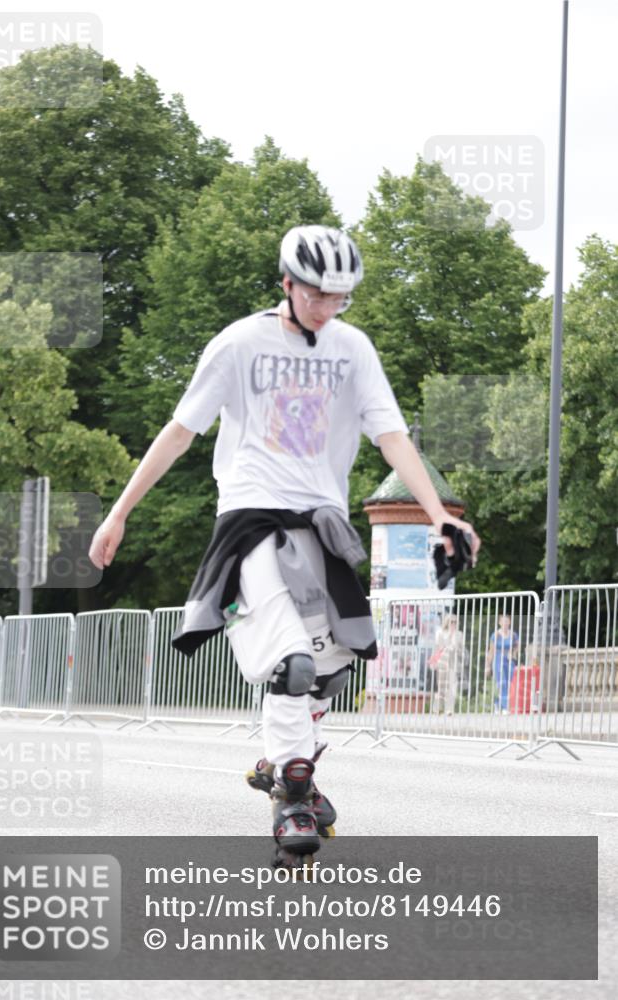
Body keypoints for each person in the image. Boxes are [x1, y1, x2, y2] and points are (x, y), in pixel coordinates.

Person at [88, 224, 481, 869]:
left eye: (341, 299)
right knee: (291, 666)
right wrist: (119, 513)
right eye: (318, 296)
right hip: (250, 520)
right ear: (287, 285)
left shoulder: (353, 349)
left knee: (337, 664)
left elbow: (390, 436)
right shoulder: (240, 344)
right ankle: (292, 799)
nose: (328, 309)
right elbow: (180, 431)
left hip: (319, 521)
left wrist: (439, 515)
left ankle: (282, 761)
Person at [430, 615, 466, 715]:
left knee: (452, 686)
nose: (453, 624)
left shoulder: (459, 634)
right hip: (442, 661)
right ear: (447, 622)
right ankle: (437, 708)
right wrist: (434, 661)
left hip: (453, 662)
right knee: (441, 686)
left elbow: (461, 648)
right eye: (451, 622)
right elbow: (438, 647)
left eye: (455, 622)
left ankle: (449, 709)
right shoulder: (440, 633)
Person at [486, 614, 520, 714]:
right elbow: (491, 651)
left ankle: (498, 704)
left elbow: (517, 647)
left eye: (507, 621)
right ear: (499, 623)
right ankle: (506, 708)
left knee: (510, 683)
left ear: (509, 622)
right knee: (502, 683)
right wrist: (488, 666)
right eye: (503, 621)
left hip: (509, 660)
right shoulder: (495, 635)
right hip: (498, 659)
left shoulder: (513, 635)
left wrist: (513, 653)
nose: (505, 623)